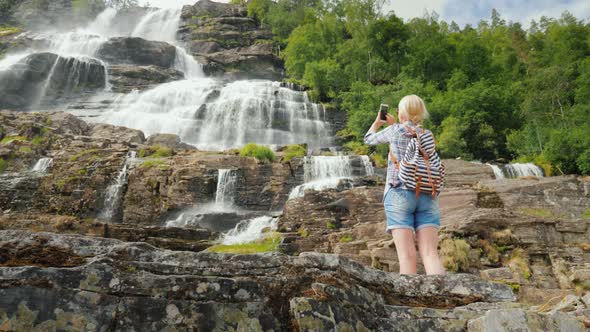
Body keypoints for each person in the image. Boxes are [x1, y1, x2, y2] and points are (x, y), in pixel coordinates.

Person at [364, 95, 445, 275]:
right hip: (426, 193)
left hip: (399, 192)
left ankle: (411, 302)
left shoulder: (394, 131)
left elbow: (368, 139)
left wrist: (378, 123)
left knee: (407, 256)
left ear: (401, 113)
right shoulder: (427, 134)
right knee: (431, 254)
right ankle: (444, 296)